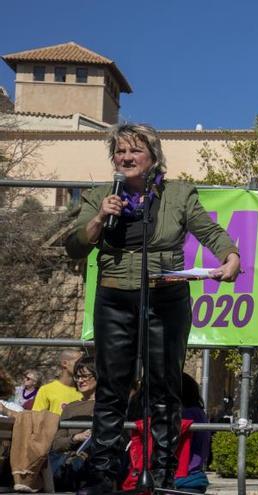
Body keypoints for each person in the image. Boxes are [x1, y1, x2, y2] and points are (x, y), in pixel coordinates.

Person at [64, 123, 241, 493]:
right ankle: (103, 476)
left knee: (164, 389)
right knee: (112, 390)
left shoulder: (178, 194)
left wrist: (231, 255)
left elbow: (208, 231)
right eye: (120, 152)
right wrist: (99, 218)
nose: (126, 158)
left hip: (166, 296)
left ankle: (161, 476)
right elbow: (75, 245)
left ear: (153, 157)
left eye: (135, 151)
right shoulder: (100, 196)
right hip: (115, 297)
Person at [49, 356, 97, 491]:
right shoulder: (71, 407)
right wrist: (76, 438)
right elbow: (55, 443)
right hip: (68, 461)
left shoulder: (107, 407)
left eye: (85, 376)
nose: (80, 380)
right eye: (77, 377)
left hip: (93, 459)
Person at [32, 349, 82, 416]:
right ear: (65, 363)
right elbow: (36, 417)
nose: (82, 366)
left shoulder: (84, 390)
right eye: (78, 362)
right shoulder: (46, 390)